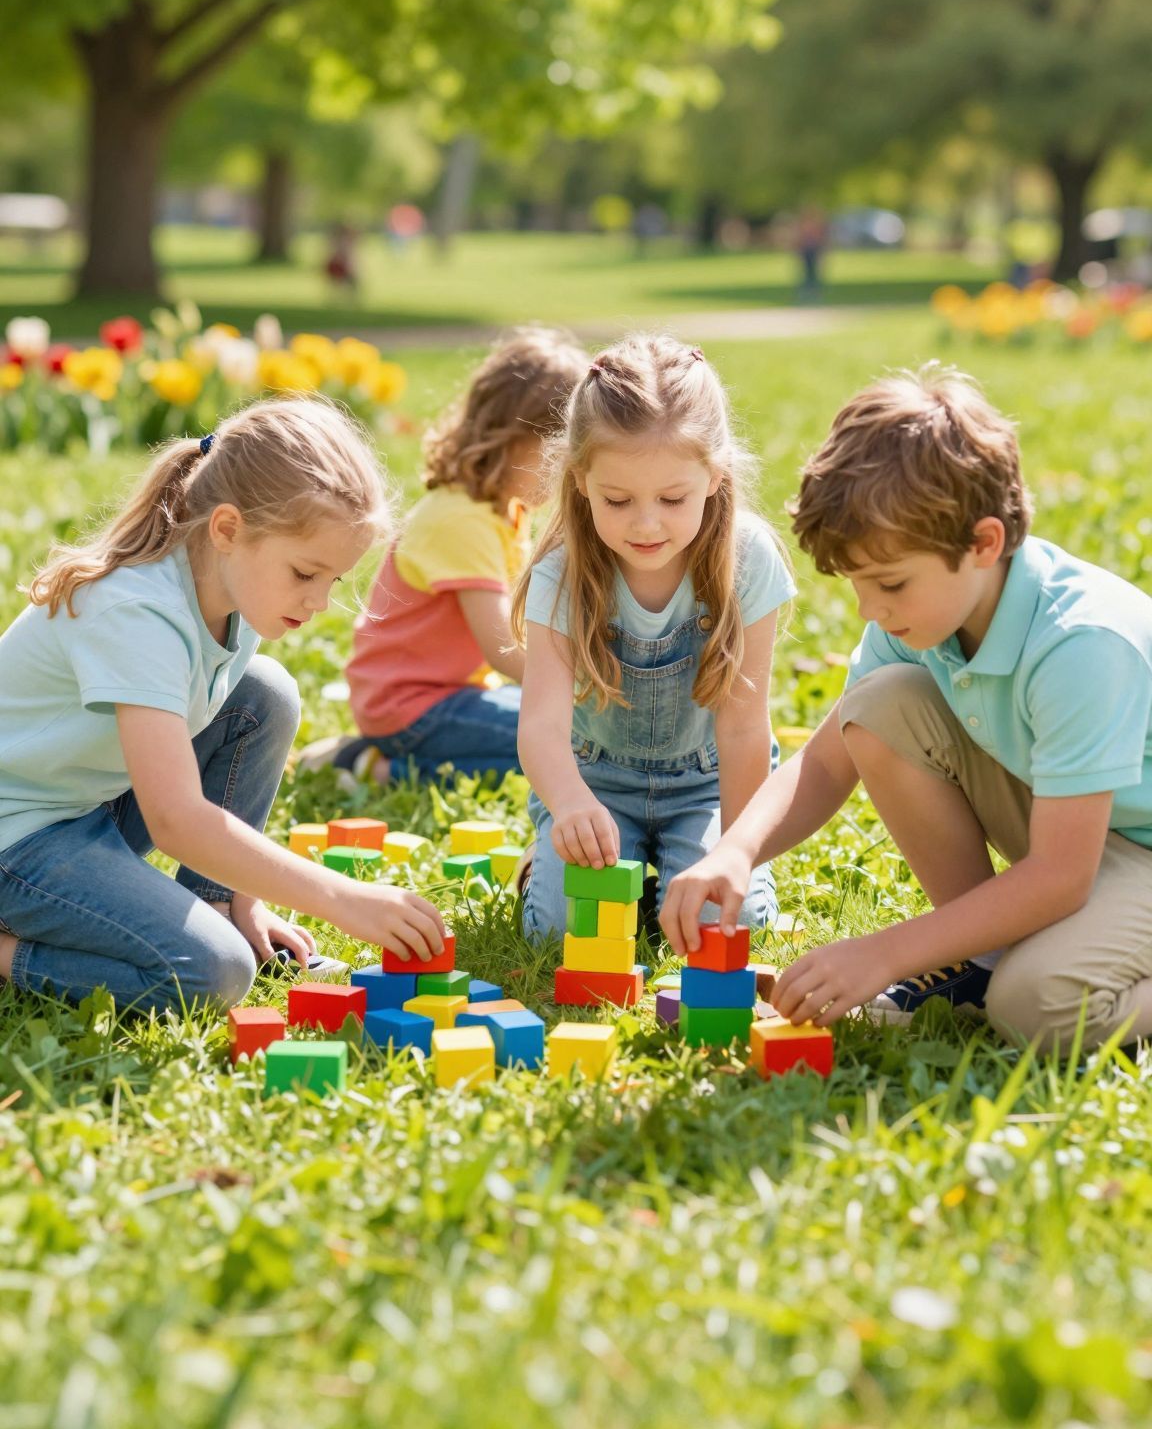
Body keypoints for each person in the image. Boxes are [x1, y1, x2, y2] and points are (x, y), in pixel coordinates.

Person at [661, 364, 1152, 1056]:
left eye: (889, 582)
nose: (869, 610)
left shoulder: (1081, 645)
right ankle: (981, 964)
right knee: (878, 706)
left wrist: (887, 954)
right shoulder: (923, 618)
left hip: (1129, 854)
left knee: (1036, 1005)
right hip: (1077, 827)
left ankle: (1005, 973)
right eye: (858, 583)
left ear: (983, 544)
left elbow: (1061, 876)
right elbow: (831, 756)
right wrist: (735, 852)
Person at [0, 398, 447, 1016]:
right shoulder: (138, 614)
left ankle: (218, 904)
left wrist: (247, 895)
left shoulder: (232, 587)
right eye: (304, 573)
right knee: (210, 972)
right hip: (15, 839)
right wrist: (343, 898)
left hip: (84, 806)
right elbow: (176, 820)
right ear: (228, 529)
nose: (318, 601)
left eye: (333, 581)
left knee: (263, 694)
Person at [511, 334, 793, 939]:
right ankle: (550, 862)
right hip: (595, 785)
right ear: (582, 479)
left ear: (714, 477)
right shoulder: (561, 573)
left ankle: (673, 869)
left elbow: (745, 728)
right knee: (560, 931)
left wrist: (735, 853)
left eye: (672, 498)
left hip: (708, 785)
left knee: (729, 923)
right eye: (618, 499)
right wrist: (568, 805)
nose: (645, 523)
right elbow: (539, 725)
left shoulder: (748, 561)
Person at [300, 329, 588, 785]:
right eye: (558, 456)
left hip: (451, 695)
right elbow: (504, 650)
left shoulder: (502, 509)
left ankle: (376, 759)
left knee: (572, 732)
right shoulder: (461, 518)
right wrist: (584, 689)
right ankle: (374, 766)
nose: (567, 474)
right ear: (510, 438)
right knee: (567, 744)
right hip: (411, 707)